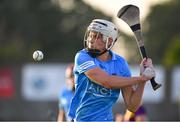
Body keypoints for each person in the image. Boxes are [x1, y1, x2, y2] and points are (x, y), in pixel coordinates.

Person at [68, 19, 156, 121]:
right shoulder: (82, 56)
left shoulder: (120, 63)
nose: (91, 40)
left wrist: (143, 80)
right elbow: (107, 81)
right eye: (90, 35)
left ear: (109, 41)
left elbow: (132, 106)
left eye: (97, 36)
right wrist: (141, 78)